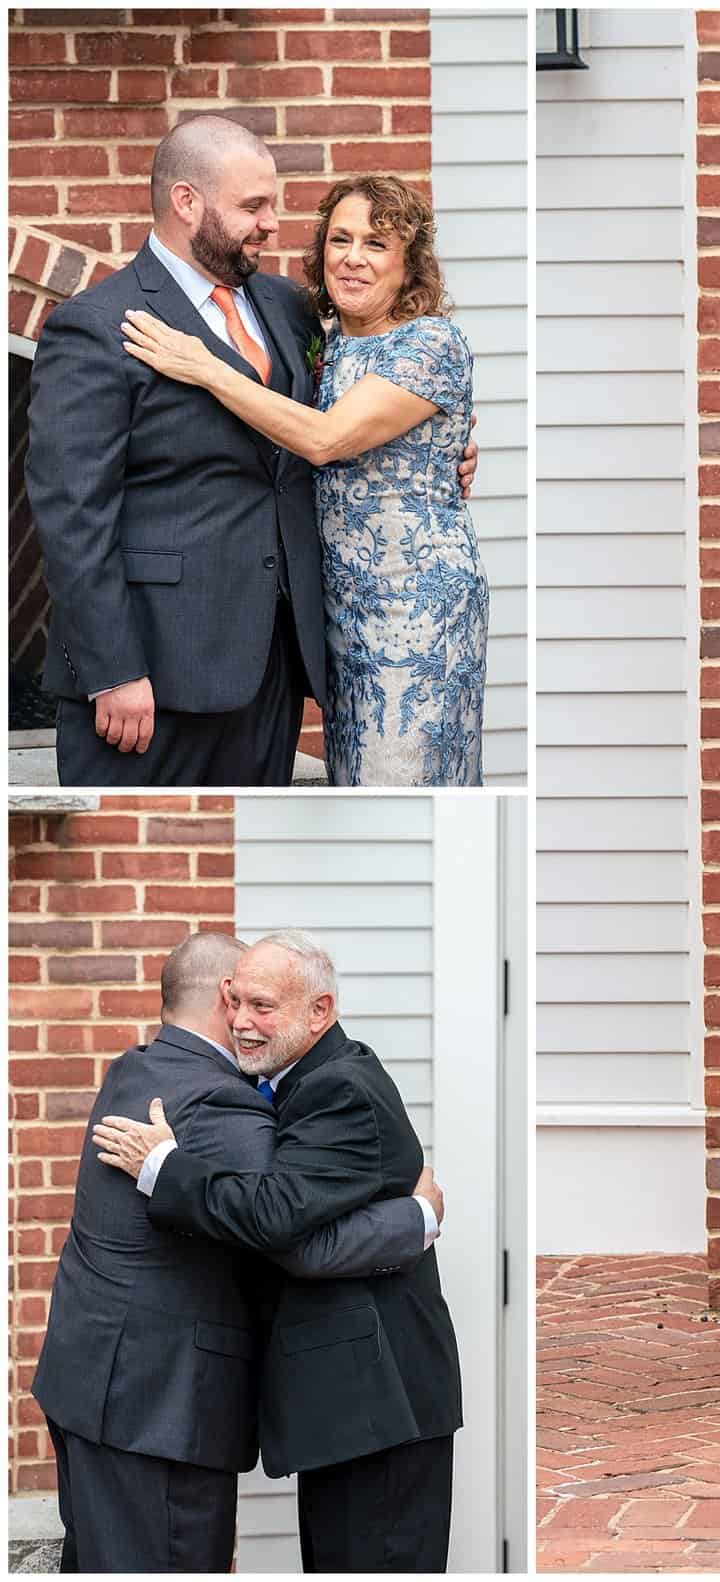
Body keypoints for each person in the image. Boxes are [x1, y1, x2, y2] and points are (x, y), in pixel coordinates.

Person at [35, 932, 438, 1573]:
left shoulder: (137, 1068)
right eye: (245, 1002)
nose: (249, 1021)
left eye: (265, 1005)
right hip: (158, 1410)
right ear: (226, 999)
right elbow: (290, 1235)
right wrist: (417, 1216)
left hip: (91, 1385)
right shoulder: (221, 1102)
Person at [117, 173, 487, 786]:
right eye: (340, 239)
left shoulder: (431, 343)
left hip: (415, 607)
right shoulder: (326, 338)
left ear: (410, 263)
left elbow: (323, 439)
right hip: (340, 609)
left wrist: (205, 367)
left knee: (402, 788)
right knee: (356, 780)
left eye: (376, 244)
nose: (353, 258)